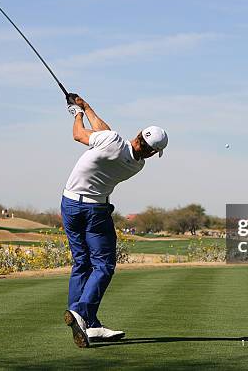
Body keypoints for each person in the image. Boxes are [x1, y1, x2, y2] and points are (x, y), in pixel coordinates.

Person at [61, 93, 168, 348]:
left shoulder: (111, 141)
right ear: (152, 152)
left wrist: (75, 113)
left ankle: (87, 321)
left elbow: (81, 134)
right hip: (95, 211)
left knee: (81, 263)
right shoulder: (136, 165)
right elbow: (105, 133)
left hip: (69, 204)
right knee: (104, 265)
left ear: (139, 133)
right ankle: (83, 315)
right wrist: (85, 106)